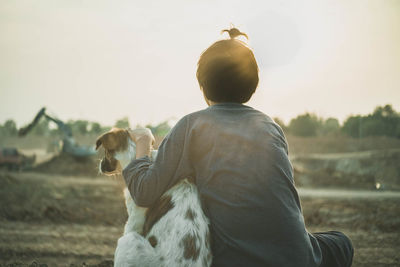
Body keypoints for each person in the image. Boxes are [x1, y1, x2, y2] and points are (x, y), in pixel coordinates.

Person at [122, 28, 354, 267]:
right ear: (252, 86)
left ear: (203, 85)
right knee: (341, 242)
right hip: (297, 257)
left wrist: (142, 144)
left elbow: (144, 193)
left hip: (234, 260)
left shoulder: (192, 126)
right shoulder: (270, 126)